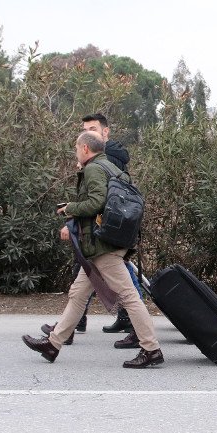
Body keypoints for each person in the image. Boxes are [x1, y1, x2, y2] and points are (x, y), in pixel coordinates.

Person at [23, 131, 164, 368]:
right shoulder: (113, 169)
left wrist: (71, 208)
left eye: (77, 147)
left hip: (102, 247)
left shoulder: (93, 169)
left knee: (129, 297)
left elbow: (97, 202)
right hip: (107, 243)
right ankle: (53, 344)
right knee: (78, 294)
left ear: (85, 148)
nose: (76, 151)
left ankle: (151, 349)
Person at [42, 113, 141, 347]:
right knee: (80, 288)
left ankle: (146, 341)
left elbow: (99, 201)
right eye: (86, 128)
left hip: (103, 237)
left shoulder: (102, 163)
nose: (89, 132)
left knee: (126, 292)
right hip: (102, 235)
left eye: (93, 128)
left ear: (105, 132)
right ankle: (59, 339)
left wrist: (71, 215)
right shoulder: (100, 162)